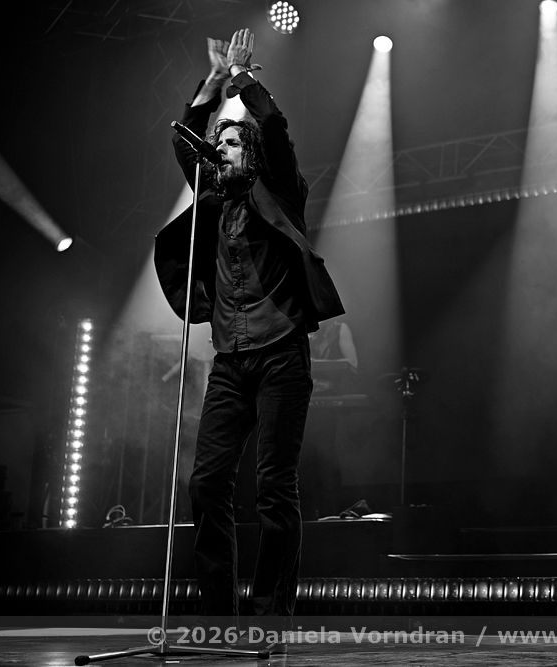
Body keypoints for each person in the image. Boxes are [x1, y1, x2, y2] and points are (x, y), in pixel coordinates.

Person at [153, 28, 344, 619]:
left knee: (273, 489)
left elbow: (276, 130)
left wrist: (240, 80)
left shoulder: (279, 192)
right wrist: (210, 87)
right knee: (207, 483)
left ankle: (269, 615)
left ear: (251, 155)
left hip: (281, 354)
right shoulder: (212, 204)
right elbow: (184, 141)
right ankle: (219, 616)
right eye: (220, 142)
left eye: (232, 143)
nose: (222, 149)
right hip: (230, 362)